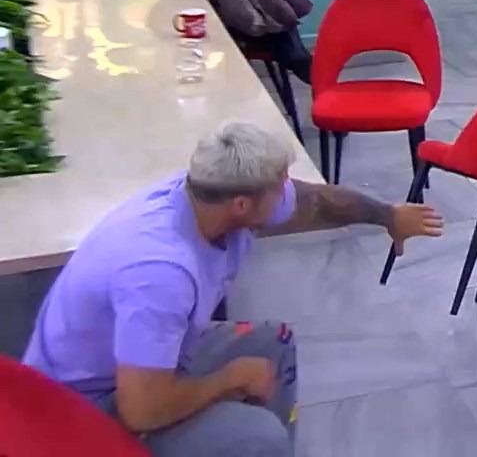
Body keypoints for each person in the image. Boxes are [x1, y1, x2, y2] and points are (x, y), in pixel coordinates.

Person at [23, 121, 445, 457]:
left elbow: (315, 202)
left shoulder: (207, 195)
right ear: (242, 204)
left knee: (274, 342)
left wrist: (388, 216)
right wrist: (230, 379)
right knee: (258, 435)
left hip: (140, 364)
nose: (288, 190)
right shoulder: (161, 272)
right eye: (279, 183)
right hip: (81, 408)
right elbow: (142, 410)